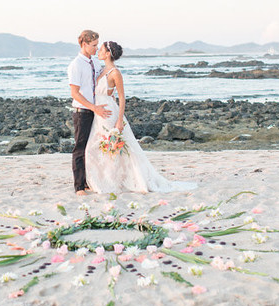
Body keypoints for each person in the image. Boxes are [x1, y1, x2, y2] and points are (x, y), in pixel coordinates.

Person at [85, 40, 197, 194]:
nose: (98, 51)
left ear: (108, 53)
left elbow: (122, 97)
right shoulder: (101, 70)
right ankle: (104, 179)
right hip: (99, 113)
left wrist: (119, 120)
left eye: (102, 49)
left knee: (114, 148)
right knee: (96, 147)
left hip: (109, 114)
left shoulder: (115, 73)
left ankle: (115, 181)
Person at [68, 30, 111, 195]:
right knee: (80, 148)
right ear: (84, 44)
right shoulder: (76, 65)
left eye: (97, 45)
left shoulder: (94, 63)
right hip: (83, 111)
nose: (96, 48)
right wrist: (94, 108)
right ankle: (79, 186)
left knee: (93, 148)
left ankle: (89, 182)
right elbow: (75, 93)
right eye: (93, 45)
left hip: (95, 110)